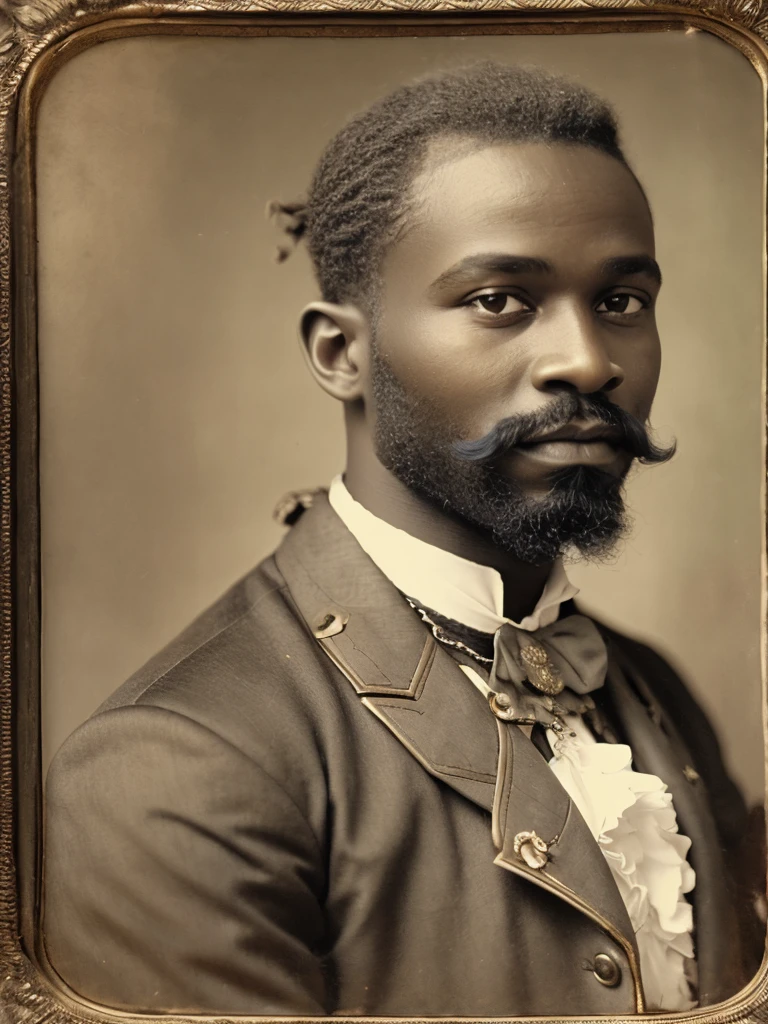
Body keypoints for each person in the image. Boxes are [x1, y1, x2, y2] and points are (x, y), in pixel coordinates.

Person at [43, 62, 763, 1017]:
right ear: (343, 354)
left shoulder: (649, 688)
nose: (588, 361)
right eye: (499, 300)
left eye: (622, 302)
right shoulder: (175, 770)